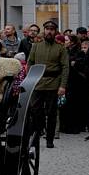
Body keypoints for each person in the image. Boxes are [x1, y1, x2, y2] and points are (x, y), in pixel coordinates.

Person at [27, 20, 69, 149]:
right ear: (43, 31)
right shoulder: (36, 46)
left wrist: (62, 85)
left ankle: (50, 139)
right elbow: (30, 64)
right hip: (38, 83)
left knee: (51, 113)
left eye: (52, 29)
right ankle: (36, 134)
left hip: (53, 83)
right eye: (47, 29)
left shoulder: (60, 48)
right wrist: (30, 81)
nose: (49, 31)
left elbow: (65, 67)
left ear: (55, 31)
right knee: (35, 111)